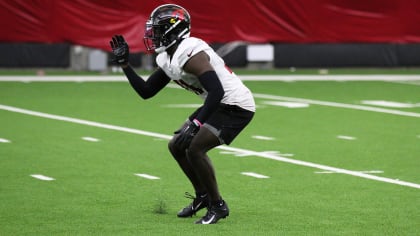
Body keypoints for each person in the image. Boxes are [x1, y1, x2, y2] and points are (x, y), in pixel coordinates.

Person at [110, 4, 255, 224]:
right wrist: (125, 65)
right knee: (176, 145)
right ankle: (203, 197)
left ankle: (218, 206)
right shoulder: (167, 57)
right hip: (217, 103)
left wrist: (196, 123)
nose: (152, 35)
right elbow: (146, 92)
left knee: (195, 148)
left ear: (173, 30)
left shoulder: (190, 51)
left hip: (235, 105)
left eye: (157, 30)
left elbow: (218, 91)